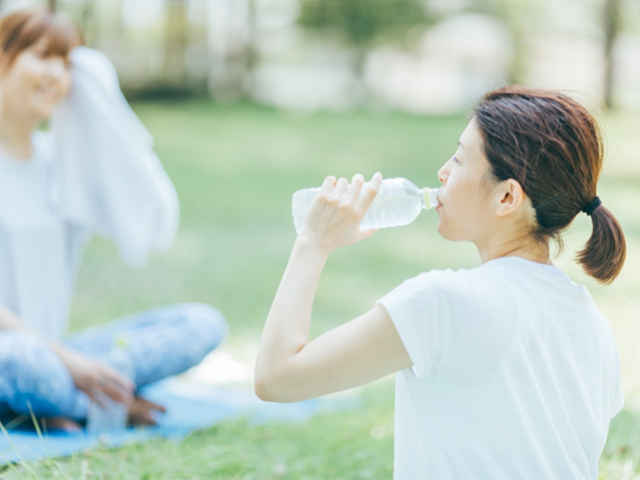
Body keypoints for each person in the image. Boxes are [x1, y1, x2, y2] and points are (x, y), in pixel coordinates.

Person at [255, 86, 626, 478]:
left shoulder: (443, 302)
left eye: (460, 159)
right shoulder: (591, 321)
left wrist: (313, 243)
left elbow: (276, 379)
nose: (442, 172)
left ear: (507, 198)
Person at [0, 9, 227, 431]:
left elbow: (147, 212)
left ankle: (60, 400)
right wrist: (66, 361)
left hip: (59, 355)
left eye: (66, 63)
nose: (56, 74)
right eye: (41, 55)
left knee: (201, 323)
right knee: (17, 359)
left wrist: (96, 89)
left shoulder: (63, 164)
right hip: (19, 355)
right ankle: (101, 407)